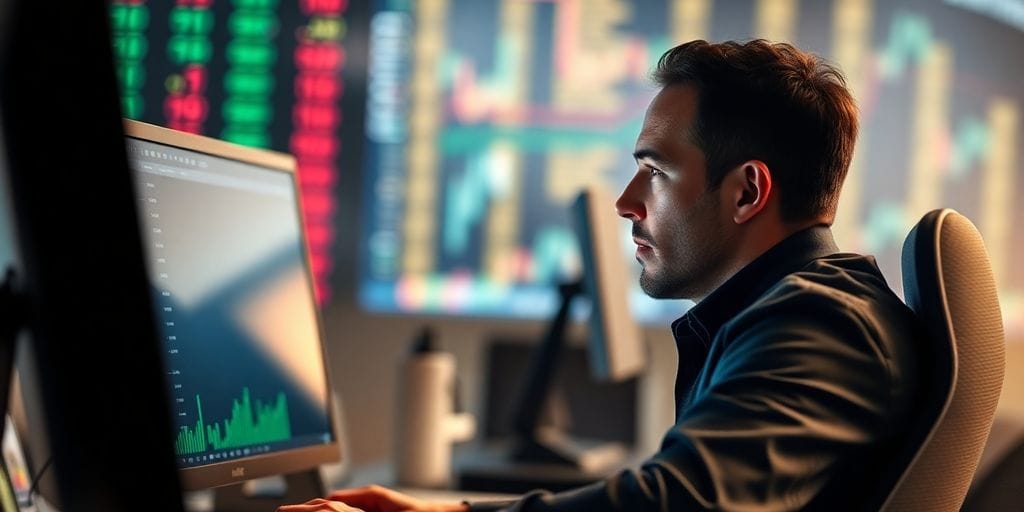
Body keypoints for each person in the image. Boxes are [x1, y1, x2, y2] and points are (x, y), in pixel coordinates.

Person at [280, 39, 923, 512]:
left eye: (656, 170)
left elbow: (679, 503)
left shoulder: (819, 323)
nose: (626, 200)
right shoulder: (799, 313)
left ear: (747, 192)